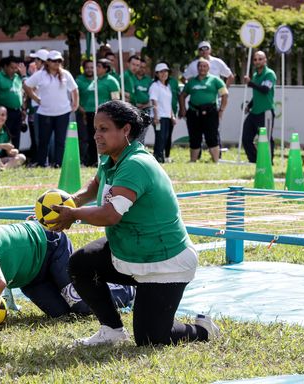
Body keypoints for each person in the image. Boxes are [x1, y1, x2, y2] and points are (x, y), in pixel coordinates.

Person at [48, 100, 220, 347]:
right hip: (131, 251)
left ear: (125, 130)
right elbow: (96, 183)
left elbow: (110, 215)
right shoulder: (113, 158)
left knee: (151, 339)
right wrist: (73, 200)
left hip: (165, 263)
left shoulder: (135, 164)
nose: (96, 135)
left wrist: (73, 215)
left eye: (104, 129)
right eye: (96, 129)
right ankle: (112, 330)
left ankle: (203, 330)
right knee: (81, 264)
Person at [0, 221, 134, 334]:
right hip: (32, 278)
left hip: (50, 248)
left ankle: (128, 289)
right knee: (61, 313)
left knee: (81, 306)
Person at [24, 50, 78, 167]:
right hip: (45, 113)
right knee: (43, 140)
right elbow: (27, 85)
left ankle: (58, 163)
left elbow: (74, 89)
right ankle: (42, 163)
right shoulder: (40, 74)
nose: (57, 63)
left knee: (60, 141)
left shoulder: (65, 74)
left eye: (59, 61)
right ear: (48, 62)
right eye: (54, 61)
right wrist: (36, 98)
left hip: (63, 112)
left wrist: (75, 103)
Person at [183, 41, 234, 158]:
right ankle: (195, 158)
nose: (204, 51)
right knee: (195, 136)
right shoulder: (193, 66)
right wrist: (192, 87)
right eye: (201, 49)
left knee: (213, 134)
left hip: (212, 104)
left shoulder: (217, 63)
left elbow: (230, 76)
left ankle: (217, 158)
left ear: (210, 50)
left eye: (206, 48)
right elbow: (184, 80)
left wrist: (222, 91)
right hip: (194, 110)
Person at [179, 58, 228, 163]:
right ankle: (193, 161)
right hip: (194, 112)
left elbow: (224, 94)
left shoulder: (215, 80)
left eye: (204, 66)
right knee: (194, 137)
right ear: (197, 68)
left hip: (210, 112)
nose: (202, 68)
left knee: (212, 137)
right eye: (200, 66)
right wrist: (183, 109)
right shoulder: (191, 82)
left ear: (208, 68)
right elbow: (182, 95)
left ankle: (216, 161)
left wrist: (221, 109)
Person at [79, 58, 120, 166]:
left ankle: (103, 160)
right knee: (91, 138)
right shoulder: (95, 80)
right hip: (90, 113)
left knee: (103, 138)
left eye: (98, 66)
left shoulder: (111, 81)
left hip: (105, 115)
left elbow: (116, 99)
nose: (95, 69)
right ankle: (92, 160)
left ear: (106, 69)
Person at [242, 50, 277, 163]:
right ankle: (254, 161)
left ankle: (268, 162)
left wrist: (250, 83)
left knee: (266, 139)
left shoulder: (269, 74)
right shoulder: (256, 75)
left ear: (265, 60)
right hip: (254, 112)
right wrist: (249, 105)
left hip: (265, 112)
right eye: (255, 59)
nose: (257, 61)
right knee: (246, 138)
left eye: (260, 59)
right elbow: (256, 94)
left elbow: (265, 90)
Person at [0, 56, 26, 149]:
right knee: (4, 135)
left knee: (16, 134)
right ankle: (4, 157)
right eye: (12, 68)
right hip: (4, 111)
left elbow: (21, 93)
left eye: (16, 68)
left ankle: (15, 155)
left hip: (17, 111)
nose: (14, 70)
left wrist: (23, 109)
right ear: (5, 67)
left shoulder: (17, 78)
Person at [148, 63, 176, 163]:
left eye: (166, 71)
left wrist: (172, 116)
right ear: (157, 74)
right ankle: (158, 157)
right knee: (160, 137)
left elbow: (168, 103)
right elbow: (154, 102)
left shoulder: (167, 86)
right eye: (161, 72)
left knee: (166, 138)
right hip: (159, 117)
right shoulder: (155, 86)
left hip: (167, 116)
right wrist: (156, 116)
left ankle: (162, 157)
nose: (164, 73)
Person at [76, 59, 95, 165]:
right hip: (83, 113)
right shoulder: (79, 80)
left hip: (96, 114)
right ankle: (84, 161)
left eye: (92, 67)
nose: (89, 69)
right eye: (87, 67)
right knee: (84, 138)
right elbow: (74, 96)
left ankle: (94, 160)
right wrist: (80, 108)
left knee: (95, 138)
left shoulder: (98, 79)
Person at [133, 59, 153, 144]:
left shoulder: (149, 80)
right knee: (134, 133)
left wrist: (145, 105)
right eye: (140, 67)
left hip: (146, 110)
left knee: (142, 133)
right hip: (133, 109)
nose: (142, 69)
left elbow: (152, 96)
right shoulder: (131, 78)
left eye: (144, 67)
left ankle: (140, 151)